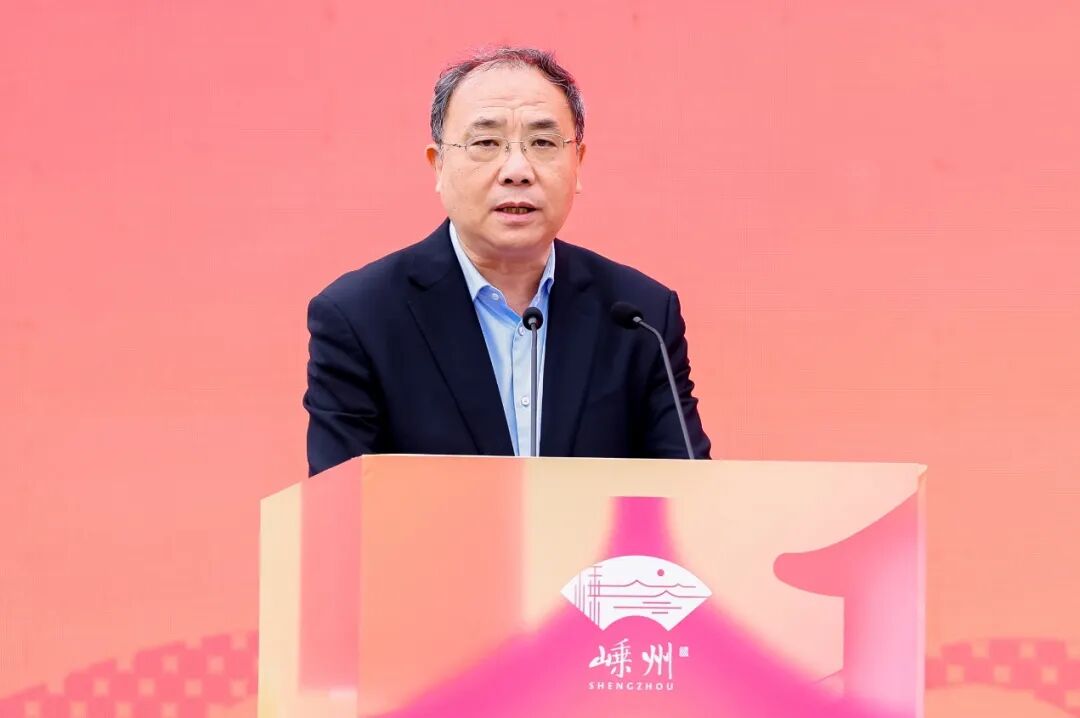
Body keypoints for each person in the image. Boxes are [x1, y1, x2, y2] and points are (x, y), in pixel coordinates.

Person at [304, 47, 710, 476]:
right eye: (486, 143)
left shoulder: (641, 318)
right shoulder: (360, 318)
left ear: (578, 164)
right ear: (438, 166)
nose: (517, 169)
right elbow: (342, 506)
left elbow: (688, 495)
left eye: (543, 143)